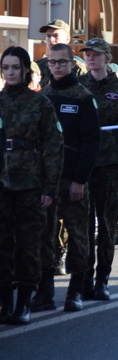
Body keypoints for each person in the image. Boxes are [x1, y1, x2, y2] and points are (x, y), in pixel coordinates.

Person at [34, 44, 101, 313]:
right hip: (47, 181)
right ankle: (45, 292)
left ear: (73, 64)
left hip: (72, 179)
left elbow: (91, 142)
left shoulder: (83, 97)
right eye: (52, 62)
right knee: (44, 236)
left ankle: (76, 290)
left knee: (78, 236)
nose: (57, 66)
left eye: (62, 62)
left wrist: (80, 180)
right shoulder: (43, 97)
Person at [0, 47, 64, 324]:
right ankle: (6, 303)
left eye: (15, 67)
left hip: (30, 184)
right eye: (6, 68)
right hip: (2, 184)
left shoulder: (39, 103)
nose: (11, 72)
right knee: (2, 246)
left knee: (28, 245)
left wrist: (49, 188)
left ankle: (24, 303)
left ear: (26, 70)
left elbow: (54, 147)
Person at [78, 38, 118, 301]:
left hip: (110, 166)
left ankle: (103, 279)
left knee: (108, 226)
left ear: (107, 58)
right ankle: (85, 279)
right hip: (84, 166)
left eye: (96, 54)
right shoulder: (79, 86)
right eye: (87, 54)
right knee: (84, 226)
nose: (91, 58)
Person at [34, 19, 87, 89]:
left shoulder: (77, 68)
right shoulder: (37, 66)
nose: (51, 40)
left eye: (56, 36)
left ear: (67, 39)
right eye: (48, 36)